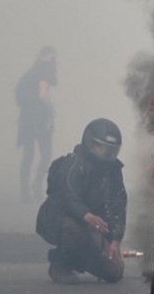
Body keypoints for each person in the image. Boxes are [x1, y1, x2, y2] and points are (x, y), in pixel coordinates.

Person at [35, 118, 127, 284]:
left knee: (114, 273)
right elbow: (68, 197)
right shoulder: (73, 164)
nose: (107, 154)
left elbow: (118, 205)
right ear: (89, 143)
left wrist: (115, 240)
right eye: (102, 148)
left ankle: (80, 258)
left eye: (111, 150)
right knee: (74, 230)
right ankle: (60, 264)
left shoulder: (113, 170)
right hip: (61, 219)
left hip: (93, 224)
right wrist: (86, 216)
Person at [15, 46, 57, 202]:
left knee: (28, 155)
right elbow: (43, 95)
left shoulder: (30, 73)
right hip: (40, 118)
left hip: (26, 118)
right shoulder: (45, 71)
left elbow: (20, 95)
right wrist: (51, 113)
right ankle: (37, 185)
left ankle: (24, 191)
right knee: (46, 153)